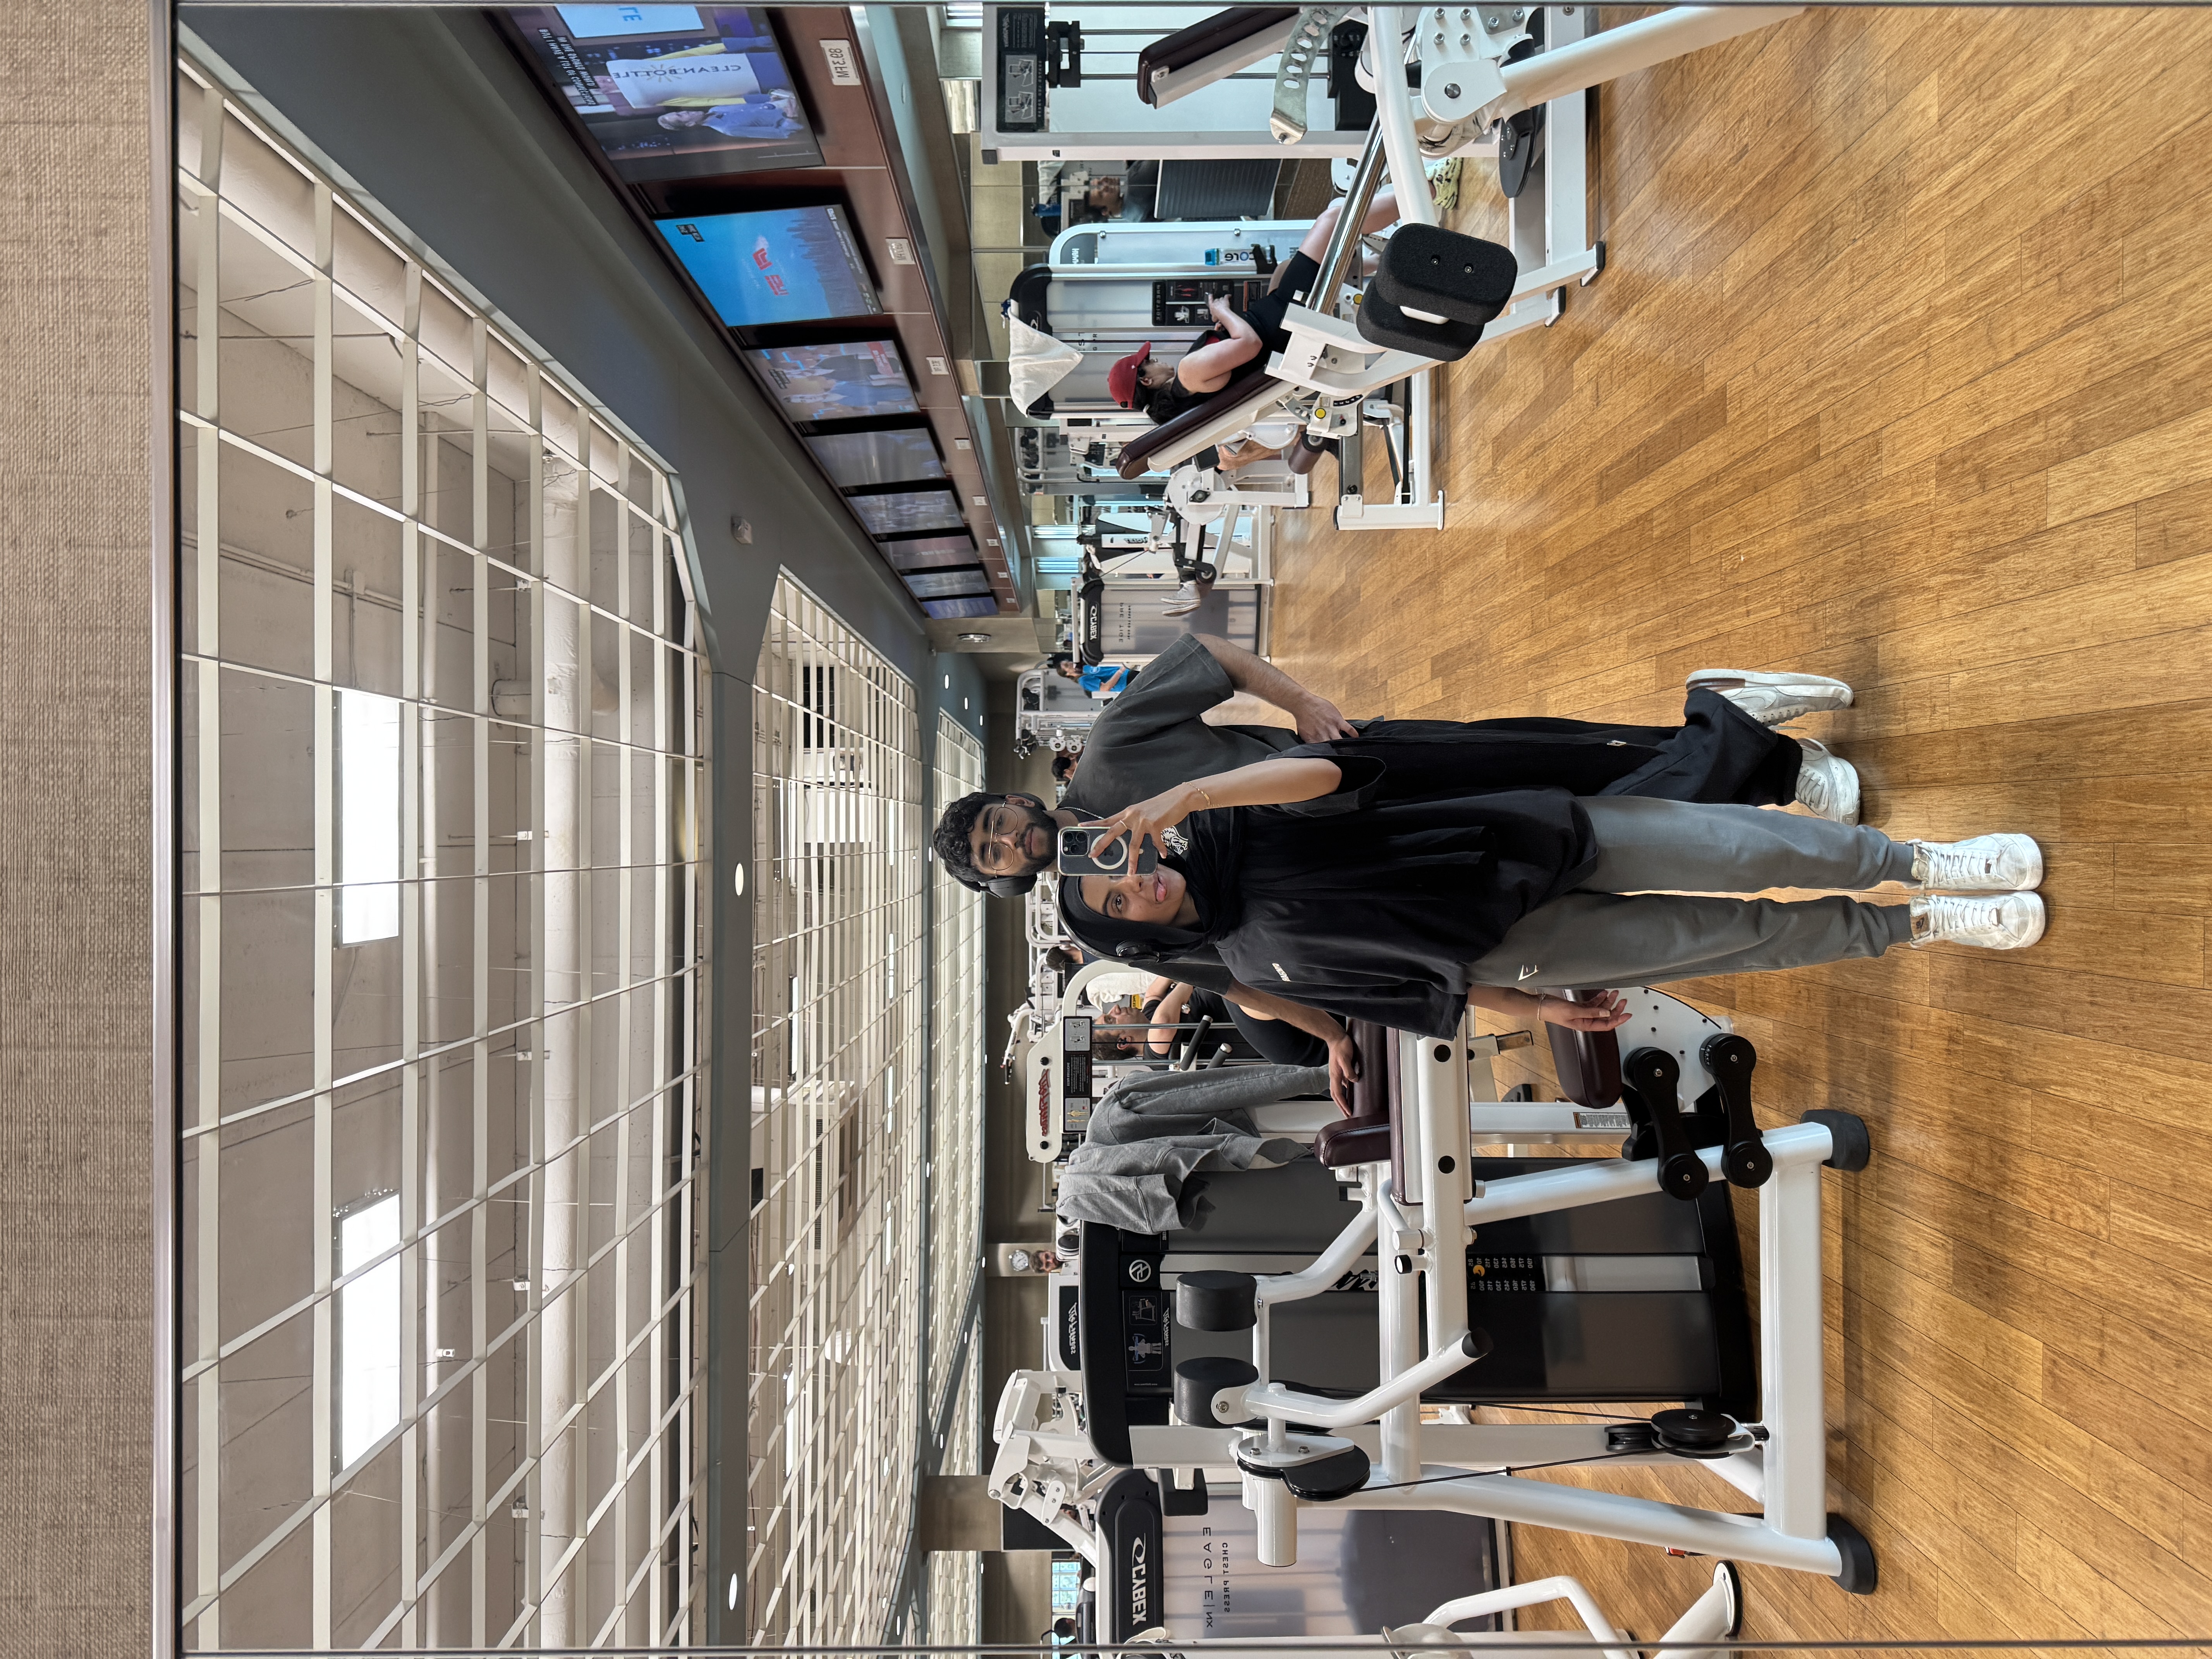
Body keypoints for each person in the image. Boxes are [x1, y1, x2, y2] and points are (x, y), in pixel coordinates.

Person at [1057, 752, 2049, 1042]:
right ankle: (1918, 924)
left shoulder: (1236, 821)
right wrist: (1536, 1010)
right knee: (1730, 939)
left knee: (1740, 847)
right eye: (1121, 902)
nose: (1137, 881)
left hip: (1523, 839)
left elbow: (1326, 774)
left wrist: (1196, 792)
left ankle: (1923, 862)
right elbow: (1417, 991)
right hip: (1518, 950)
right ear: (1135, 937)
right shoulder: (1250, 964)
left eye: (1121, 863)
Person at [1107, 187, 1408, 429]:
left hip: (1279, 319)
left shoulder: (1187, 389)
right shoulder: (1188, 374)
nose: (1156, 359)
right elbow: (1250, 344)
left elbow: (1238, 359)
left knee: (1287, 267)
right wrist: (1223, 310)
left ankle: (1377, 265)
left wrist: (1221, 332)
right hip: (1286, 321)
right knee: (1330, 221)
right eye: (1150, 361)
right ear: (1147, 380)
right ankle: (1417, 194)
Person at [1049, 653, 1136, 698]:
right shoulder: (1084, 681)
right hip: (1126, 681)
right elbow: (1105, 688)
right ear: (1068, 674)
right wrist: (1120, 671)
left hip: (1128, 669)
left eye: (1068, 661)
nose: (1071, 663)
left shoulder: (1086, 668)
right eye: (1067, 665)